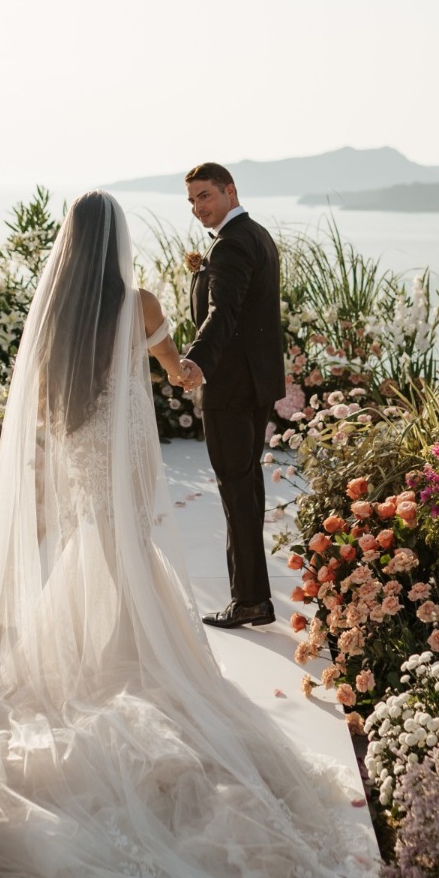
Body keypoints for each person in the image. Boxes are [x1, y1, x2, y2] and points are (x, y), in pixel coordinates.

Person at [0, 191, 387, 878]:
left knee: (93, 557)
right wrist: (197, 356)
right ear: (117, 242)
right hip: (124, 462)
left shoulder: (57, 318)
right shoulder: (136, 301)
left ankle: (102, 659)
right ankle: (140, 660)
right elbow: (179, 373)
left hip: (80, 460)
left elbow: (41, 406)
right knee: (130, 558)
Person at [179, 163, 284, 629]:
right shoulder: (256, 234)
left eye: (205, 196)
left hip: (231, 388)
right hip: (255, 384)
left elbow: (222, 313)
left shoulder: (230, 245)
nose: (198, 208)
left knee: (237, 492)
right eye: (192, 201)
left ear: (229, 191)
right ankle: (253, 596)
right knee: (246, 488)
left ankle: (250, 601)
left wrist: (195, 362)